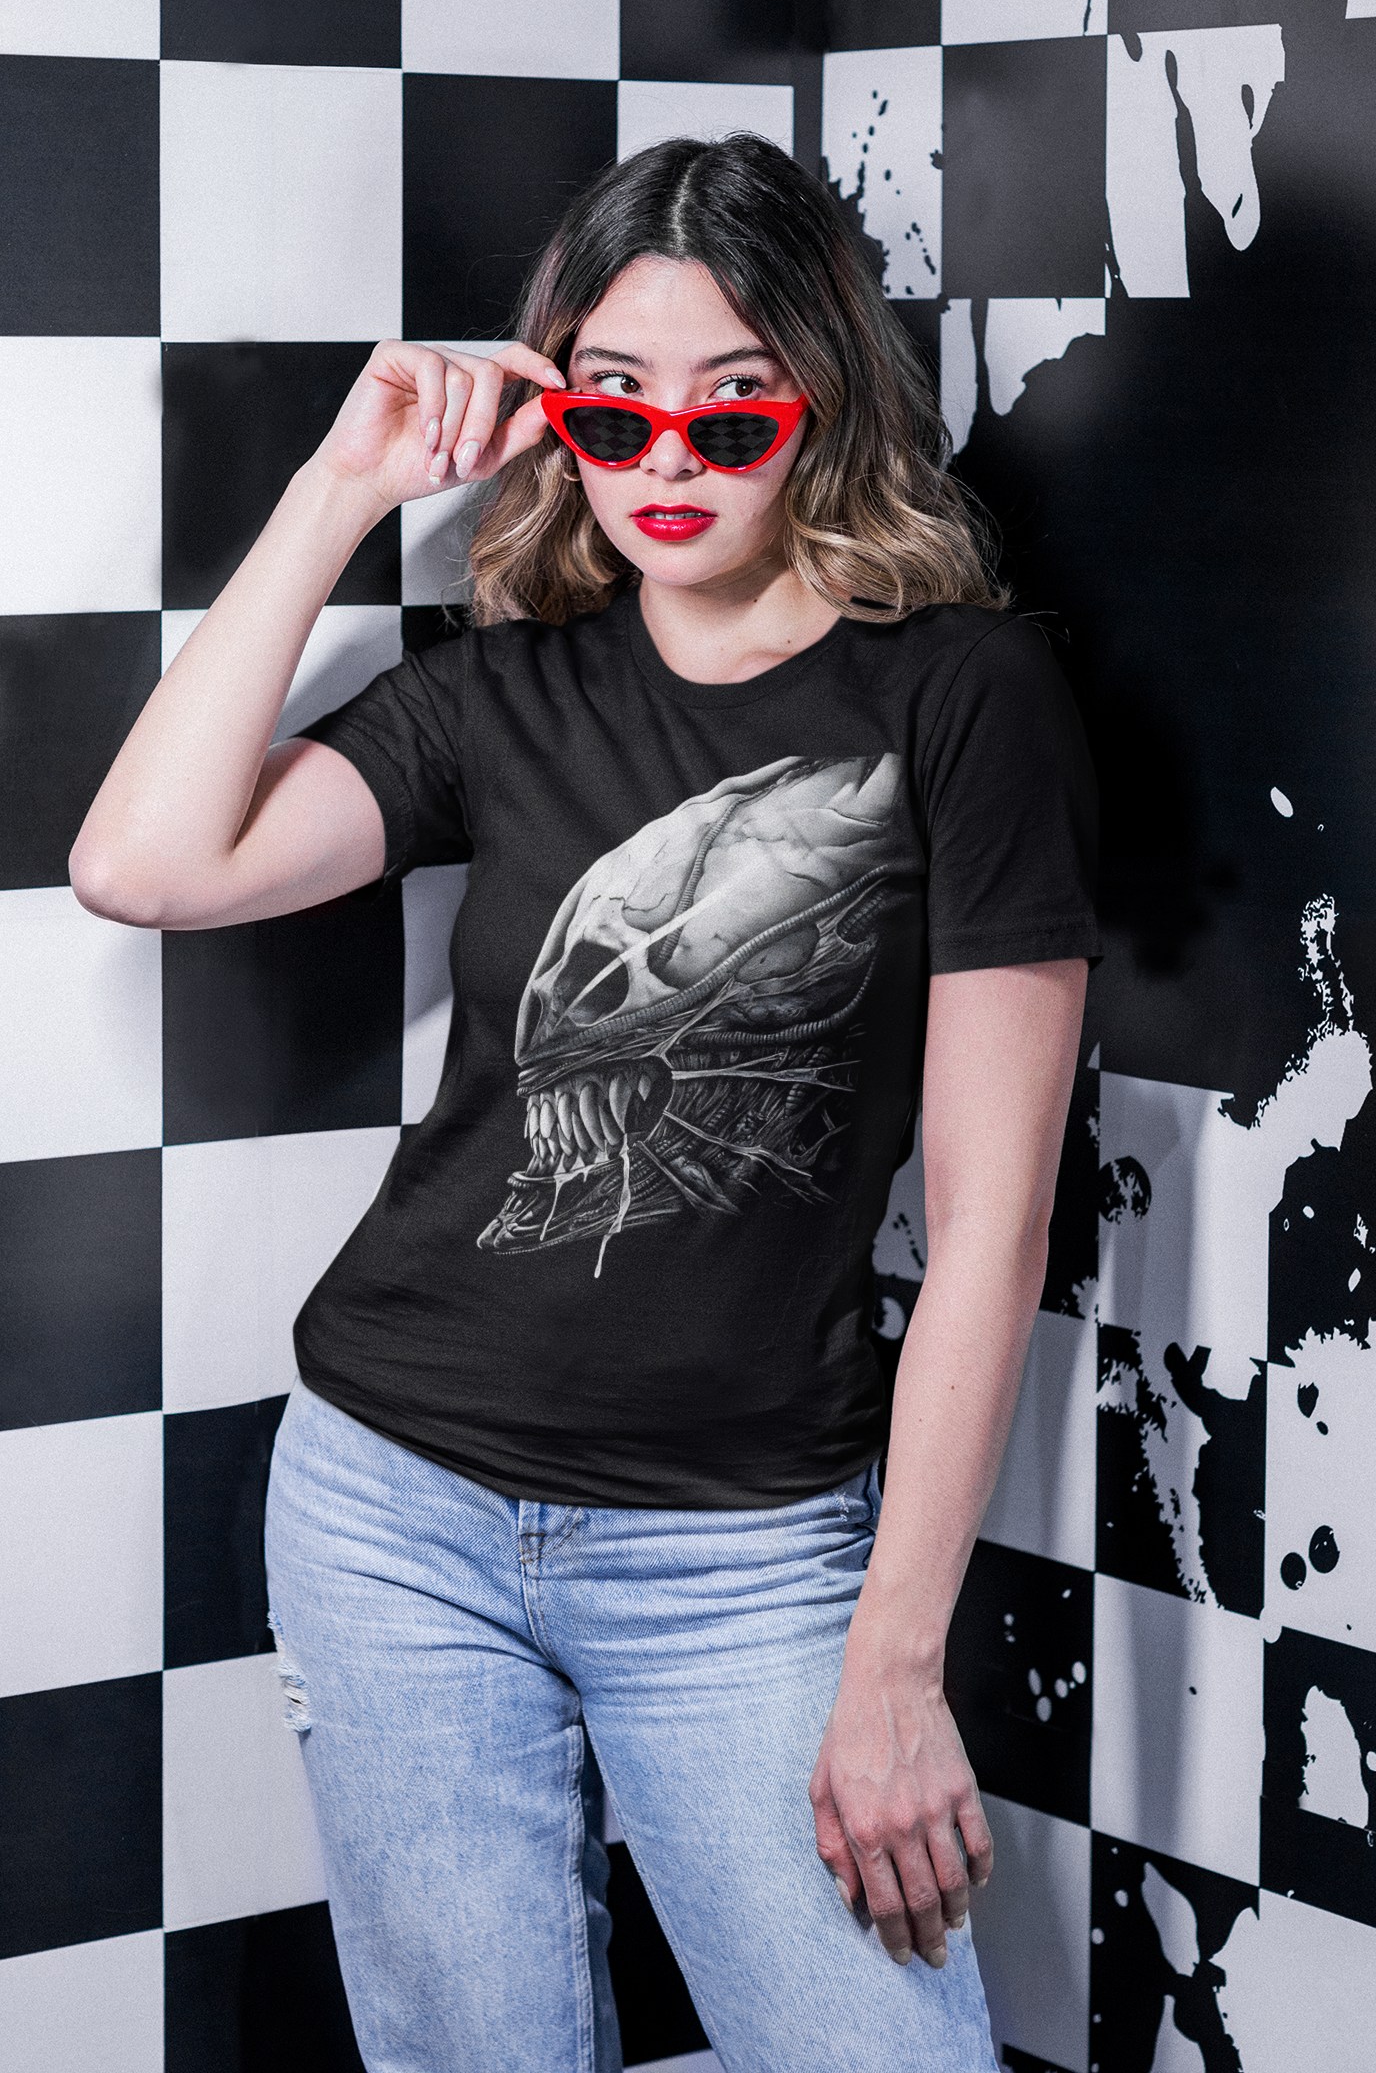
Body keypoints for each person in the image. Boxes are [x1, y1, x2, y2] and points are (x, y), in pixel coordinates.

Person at [72, 133, 1097, 2072]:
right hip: (394, 1506)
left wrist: (897, 1660)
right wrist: (338, 488)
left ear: (822, 406)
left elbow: (995, 1223)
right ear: (558, 412)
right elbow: (145, 865)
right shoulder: (505, 690)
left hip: (741, 1553)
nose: (668, 464)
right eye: (614, 411)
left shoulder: (962, 697)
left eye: (734, 411)